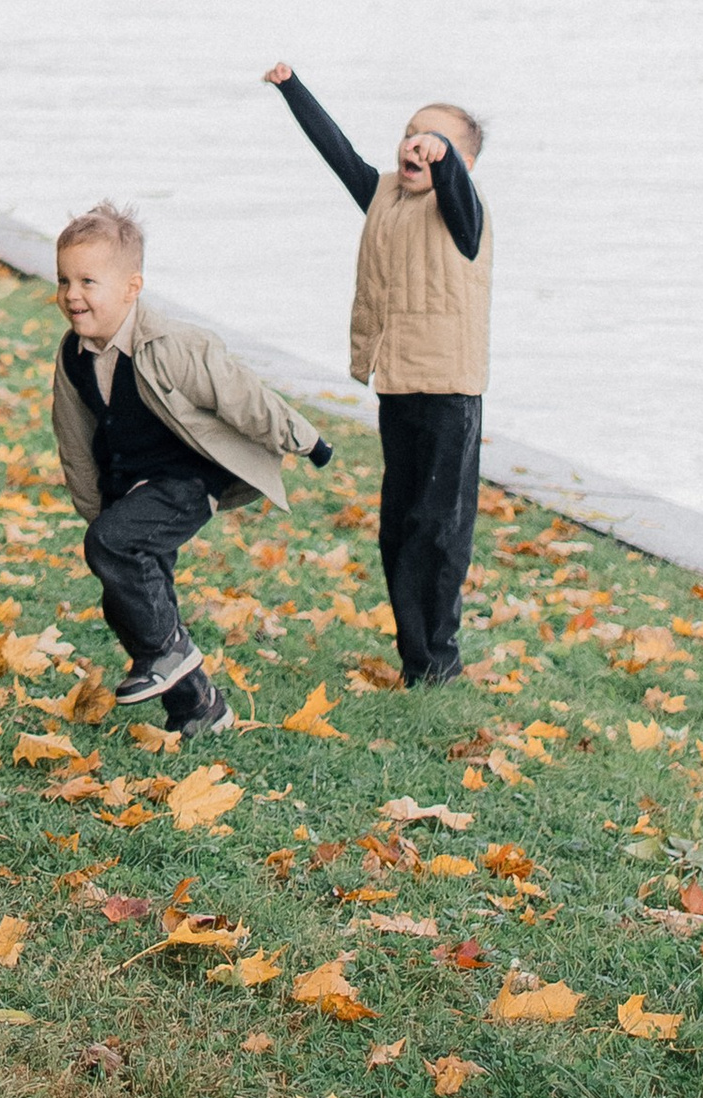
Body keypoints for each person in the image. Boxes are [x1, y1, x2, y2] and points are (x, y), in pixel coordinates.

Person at [47, 199, 332, 735]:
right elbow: (74, 439)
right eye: (64, 280)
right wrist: (97, 512)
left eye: (88, 281)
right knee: (127, 599)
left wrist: (305, 439)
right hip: (129, 487)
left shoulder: (172, 346)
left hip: (186, 480)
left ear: (133, 287)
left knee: (117, 554)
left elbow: (240, 394)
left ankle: (169, 650)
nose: (72, 295)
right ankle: (198, 706)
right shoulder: (73, 354)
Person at [261, 63, 489, 688]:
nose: (415, 144)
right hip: (399, 385)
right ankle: (415, 654)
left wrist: (442, 159)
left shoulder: (465, 215)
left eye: (433, 141)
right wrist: (292, 87)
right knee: (400, 527)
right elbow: (337, 152)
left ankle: (439, 659)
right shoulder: (384, 194)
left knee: (440, 530)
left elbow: (457, 191)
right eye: (411, 133)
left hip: (450, 392)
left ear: (457, 164)